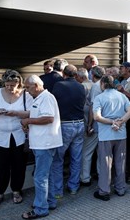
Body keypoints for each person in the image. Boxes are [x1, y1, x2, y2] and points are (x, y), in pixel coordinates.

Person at [0, 70, 33, 209]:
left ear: (19, 83)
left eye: (13, 85)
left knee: (19, 165)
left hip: (19, 136)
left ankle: (16, 190)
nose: (10, 88)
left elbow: (32, 112)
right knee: (1, 166)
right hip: (0, 137)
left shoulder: (26, 94)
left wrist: (16, 113)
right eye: (7, 85)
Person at [20, 75, 63, 219]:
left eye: (27, 87)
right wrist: (29, 124)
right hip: (42, 143)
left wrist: (28, 120)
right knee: (46, 175)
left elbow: (48, 118)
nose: (26, 90)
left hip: (45, 144)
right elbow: (41, 116)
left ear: (37, 85)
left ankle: (40, 209)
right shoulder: (39, 98)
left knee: (40, 177)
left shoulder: (46, 97)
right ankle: (49, 202)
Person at [93, 75, 130, 201]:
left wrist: (112, 122)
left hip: (106, 135)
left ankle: (104, 191)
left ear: (103, 84)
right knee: (120, 162)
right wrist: (120, 122)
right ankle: (120, 188)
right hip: (121, 134)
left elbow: (97, 117)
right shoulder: (121, 96)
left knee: (105, 164)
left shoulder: (99, 98)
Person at [51, 65, 86, 197]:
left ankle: (57, 191)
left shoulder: (59, 85)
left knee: (58, 159)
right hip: (79, 124)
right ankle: (73, 187)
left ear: (63, 74)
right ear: (75, 75)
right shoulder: (81, 86)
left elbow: (54, 103)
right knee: (76, 158)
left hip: (65, 125)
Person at [80, 66, 105, 186]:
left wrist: (89, 125)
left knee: (87, 152)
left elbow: (93, 108)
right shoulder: (106, 84)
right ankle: (101, 175)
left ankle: (85, 178)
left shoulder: (96, 86)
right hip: (105, 125)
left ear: (93, 76)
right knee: (101, 153)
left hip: (96, 124)